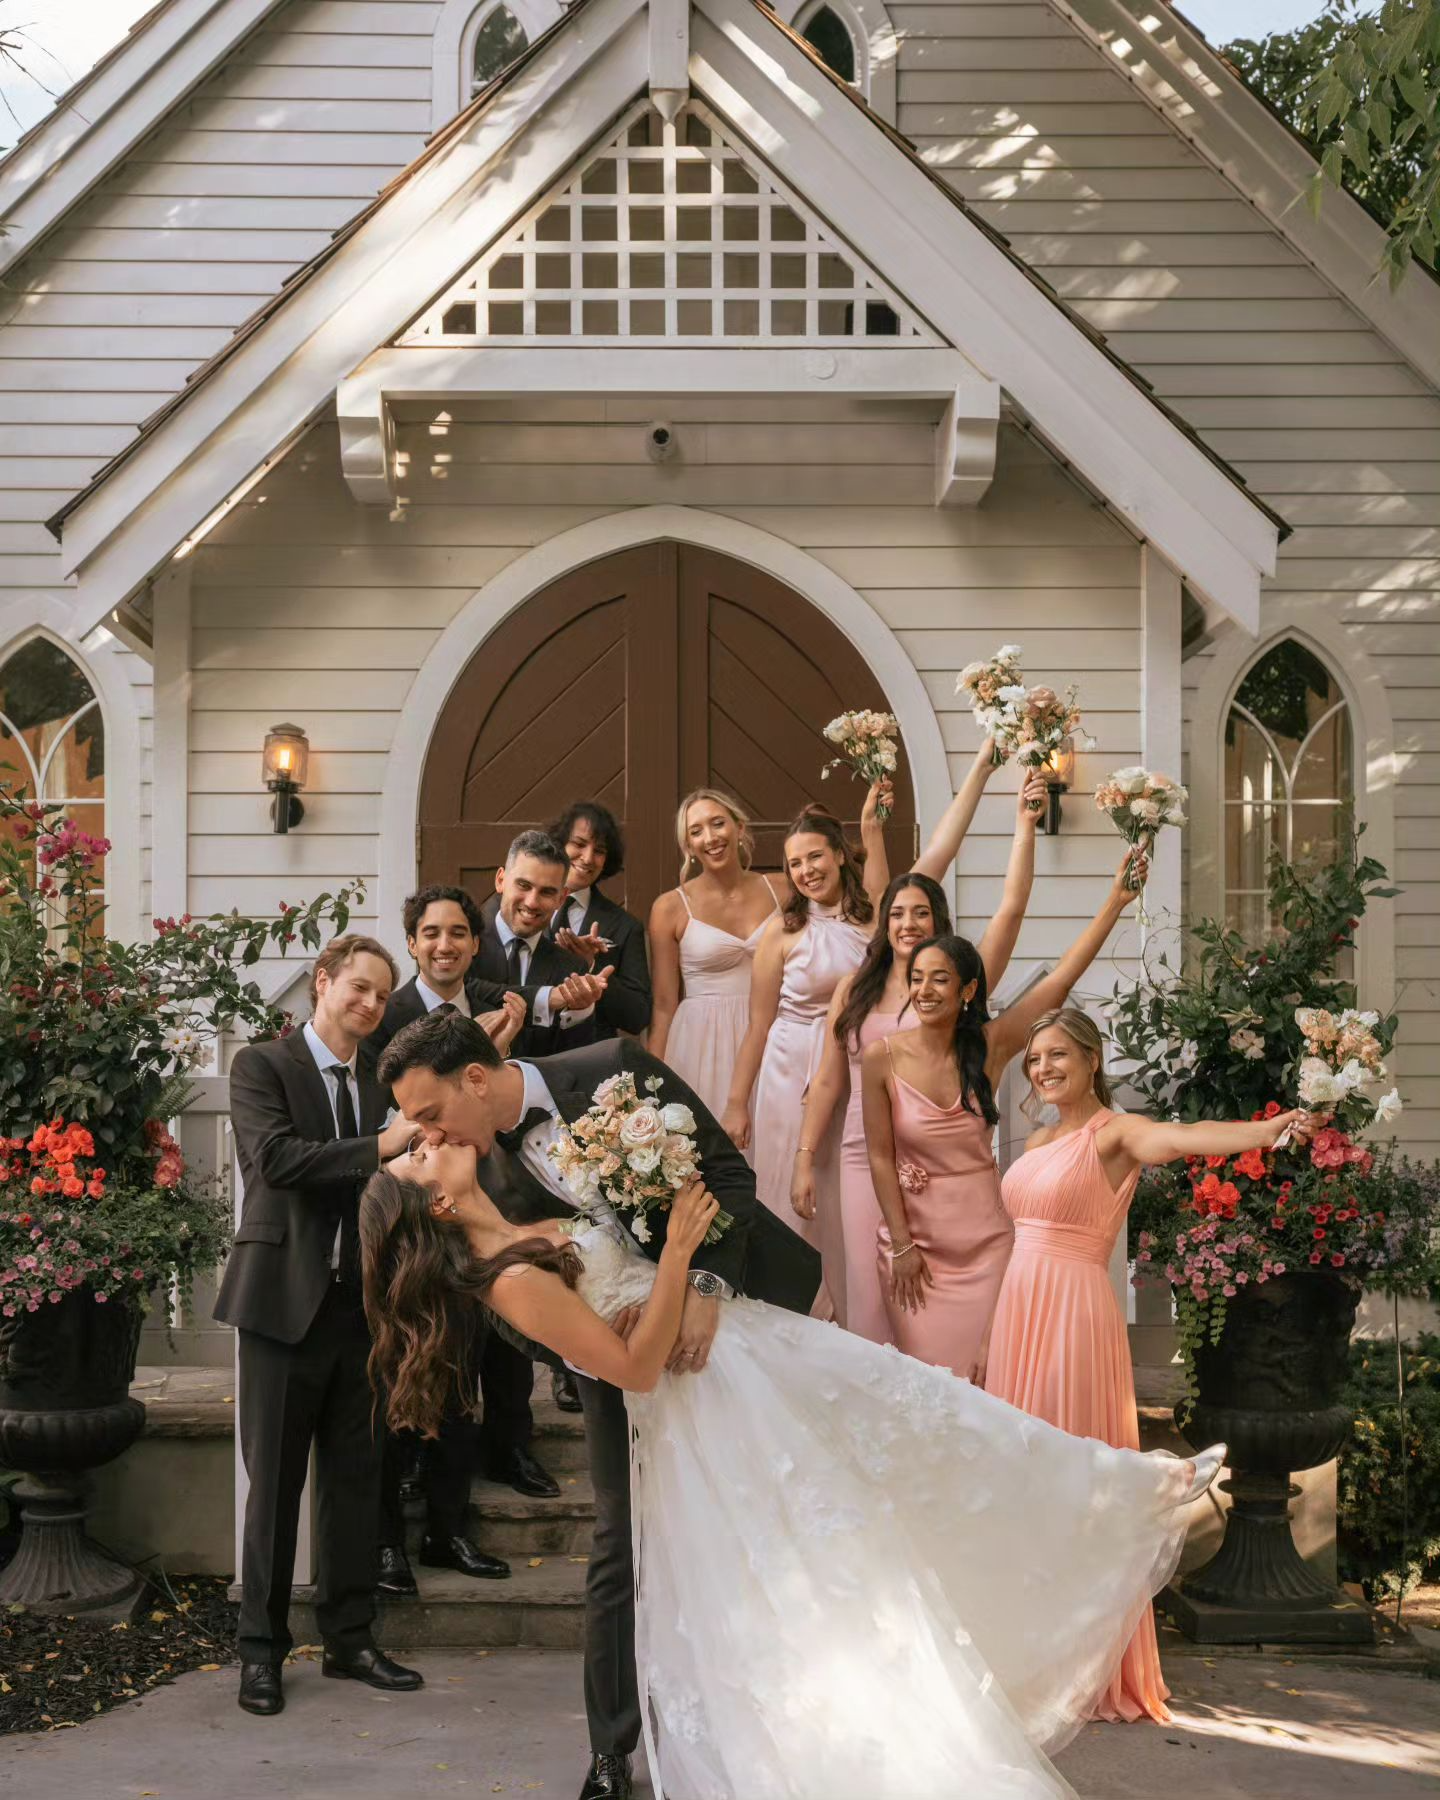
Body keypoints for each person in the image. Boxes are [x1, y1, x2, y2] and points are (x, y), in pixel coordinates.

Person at [361, 1091, 1226, 1800]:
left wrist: (670, 1248)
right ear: (432, 1201)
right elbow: (629, 1369)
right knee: (829, 1549)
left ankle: (1112, 1487)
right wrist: (680, 1260)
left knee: (924, 1419)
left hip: (750, 1353)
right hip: (710, 1409)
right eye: (413, 1153)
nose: (425, 1139)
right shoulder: (508, 1282)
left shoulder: (523, 1219)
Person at [373, 1010, 819, 1800]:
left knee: (776, 1510)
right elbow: (523, 1314)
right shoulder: (479, 1180)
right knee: (621, 1541)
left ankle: (796, 1707)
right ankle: (612, 1751)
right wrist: (593, 1340)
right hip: (617, 1360)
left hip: (732, 1316)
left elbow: (729, 1181)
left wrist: (703, 1288)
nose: (425, 1133)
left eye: (431, 1114)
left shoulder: (615, 1066)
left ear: (476, 1079)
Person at [986, 1006, 1315, 1726]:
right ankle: (1027, 1650)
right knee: (1025, 1480)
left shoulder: (1117, 1134)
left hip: (1072, 1315)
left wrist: (1264, 1132)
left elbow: (1185, 1139)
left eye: (1057, 1055)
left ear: (1092, 1059)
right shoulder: (1038, 1136)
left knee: (1073, 1478)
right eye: (1034, 1058)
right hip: (1019, 1310)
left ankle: (1086, 1663)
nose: (1042, 1068)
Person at [215, 934, 422, 1718]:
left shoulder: (382, 1084)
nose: (369, 1005)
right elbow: (277, 1162)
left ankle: (351, 1640)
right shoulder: (263, 1066)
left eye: (380, 995)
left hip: (361, 1310)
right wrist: (380, 1149)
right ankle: (260, 1654)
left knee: (356, 1480)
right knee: (273, 1486)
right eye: (357, 988)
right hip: (279, 1304)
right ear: (323, 983)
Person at [862, 848, 1146, 1379]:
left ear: (968, 991)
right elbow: (880, 1156)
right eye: (917, 978)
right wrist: (901, 1244)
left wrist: (1116, 901)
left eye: (940, 979)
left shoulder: (988, 1048)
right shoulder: (880, 1058)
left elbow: (1058, 982)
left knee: (992, 1382)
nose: (924, 991)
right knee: (931, 1387)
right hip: (913, 1251)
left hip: (988, 1247)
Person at [792, 761, 1046, 1336]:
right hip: (859, 1157)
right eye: (897, 913)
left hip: (937, 1166)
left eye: (921, 914)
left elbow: (1010, 909)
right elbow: (830, 1080)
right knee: (866, 1291)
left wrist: (1025, 826)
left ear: (938, 922)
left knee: (929, 1300)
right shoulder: (853, 990)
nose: (907, 923)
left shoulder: (952, 985)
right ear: (884, 920)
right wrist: (805, 1159)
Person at [365, 884, 544, 1591]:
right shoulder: (387, 1013)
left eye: (459, 933)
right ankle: (387, 1544)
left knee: (465, 1375)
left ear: (476, 942)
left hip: (475, 1210)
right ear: (412, 942)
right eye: (431, 933)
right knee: (400, 1371)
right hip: (407, 1224)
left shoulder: (497, 1005)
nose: (444, 944)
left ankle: (450, 1527)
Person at [722, 792, 890, 1268]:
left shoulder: (873, 918)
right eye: (795, 863)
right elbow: (758, 1023)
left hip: (858, 1060)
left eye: (815, 856)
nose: (806, 870)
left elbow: (879, 877)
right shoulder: (782, 931)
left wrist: (873, 828)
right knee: (792, 1177)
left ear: (839, 854)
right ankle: (796, 1289)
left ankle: (852, 1294)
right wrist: (737, 1102)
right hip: (790, 1062)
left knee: (849, 1175)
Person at [645, 788, 787, 1132]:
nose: (710, 837)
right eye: (696, 831)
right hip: (701, 1043)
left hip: (776, 1031)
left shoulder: (784, 889)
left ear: (739, 828)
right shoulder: (669, 908)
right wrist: (649, 1085)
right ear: (688, 847)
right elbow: (664, 1005)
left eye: (718, 823)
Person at [476, 831, 612, 1059]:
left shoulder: (571, 969)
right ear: (500, 880)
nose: (532, 902)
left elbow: (575, 1064)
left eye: (547, 892)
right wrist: (548, 998)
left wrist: (580, 1011)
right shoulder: (462, 947)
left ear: (561, 898)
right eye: (523, 885)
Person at [546, 800, 652, 1045]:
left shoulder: (625, 926)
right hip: (524, 1059)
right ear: (559, 844)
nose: (588, 857)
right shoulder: (524, 908)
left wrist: (590, 966)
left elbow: (637, 1017)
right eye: (579, 844)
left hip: (591, 1059)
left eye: (600, 850)